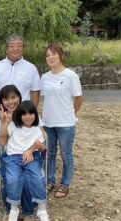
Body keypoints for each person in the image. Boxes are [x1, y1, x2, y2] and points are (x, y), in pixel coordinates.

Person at [0, 34, 41, 187]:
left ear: (23, 48)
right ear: (6, 48)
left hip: (22, 114)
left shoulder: (30, 68)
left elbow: (35, 91)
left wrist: (32, 112)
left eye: (19, 45)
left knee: (20, 141)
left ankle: (21, 169)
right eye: (12, 45)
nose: (15, 48)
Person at [0, 100, 51, 221]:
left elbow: (41, 146)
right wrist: (5, 122)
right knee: (13, 179)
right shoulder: (13, 125)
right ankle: (14, 209)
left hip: (31, 158)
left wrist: (34, 149)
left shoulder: (37, 129)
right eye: (24, 114)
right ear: (19, 115)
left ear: (36, 114)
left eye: (31, 113)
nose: (28, 117)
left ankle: (41, 209)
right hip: (13, 158)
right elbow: (1, 139)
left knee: (36, 178)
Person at [41, 44, 83, 198]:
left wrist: (70, 113)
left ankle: (65, 184)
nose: (50, 57)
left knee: (66, 154)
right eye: (47, 55)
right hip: (48, 123)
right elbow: (46, 99)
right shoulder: (44, 77)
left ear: (61, 56)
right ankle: (49, 180)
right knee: (49, 153)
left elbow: (79, 98)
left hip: (66, 124)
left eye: (53, 54)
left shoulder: (70, 76)